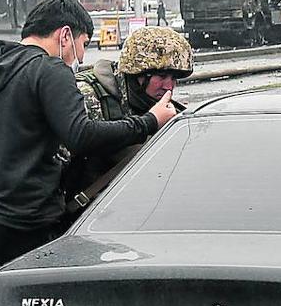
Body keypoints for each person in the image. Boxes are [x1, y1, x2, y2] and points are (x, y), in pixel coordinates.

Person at [0, 0, 177, 298]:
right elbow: (81, 135)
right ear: (65, 35)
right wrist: (149, 121)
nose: (79, 59)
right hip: (26, 225)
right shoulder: (49, 70)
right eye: (82, 46)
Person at [62, 25, 193, 220]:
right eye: (162, 76)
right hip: (83, 218)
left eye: (174, 78)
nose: (169, 86)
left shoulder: (164, 108)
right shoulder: (88, 97)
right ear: (138, 74)